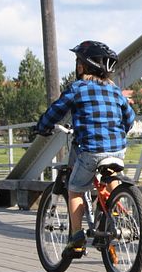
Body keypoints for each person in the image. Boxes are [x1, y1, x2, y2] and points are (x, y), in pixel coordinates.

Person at [36, 40, 135, 255]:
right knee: (112, 177)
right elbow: (130, 118)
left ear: (81, 67)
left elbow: (56, 111)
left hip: (90, 150)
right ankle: (115, 211)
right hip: (117, 150)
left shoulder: (77, 88)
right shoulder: (115, 91)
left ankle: (77, 238)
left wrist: (42, 127)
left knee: (76, 189)